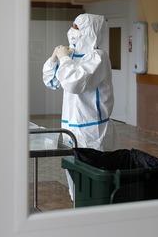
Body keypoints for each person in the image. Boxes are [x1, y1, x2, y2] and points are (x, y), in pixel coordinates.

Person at [42, 13, 120, 198]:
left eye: (77, 27)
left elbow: (74, 84)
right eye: (72, 26)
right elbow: (52, 82)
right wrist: (54, 59)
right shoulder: (72, 57)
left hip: (92, 131)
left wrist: (64, 60)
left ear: (90, 31)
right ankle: (78, 207)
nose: (72, 31)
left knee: (93, 182)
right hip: (71, 129)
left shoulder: (98, 57)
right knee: (76, 182)